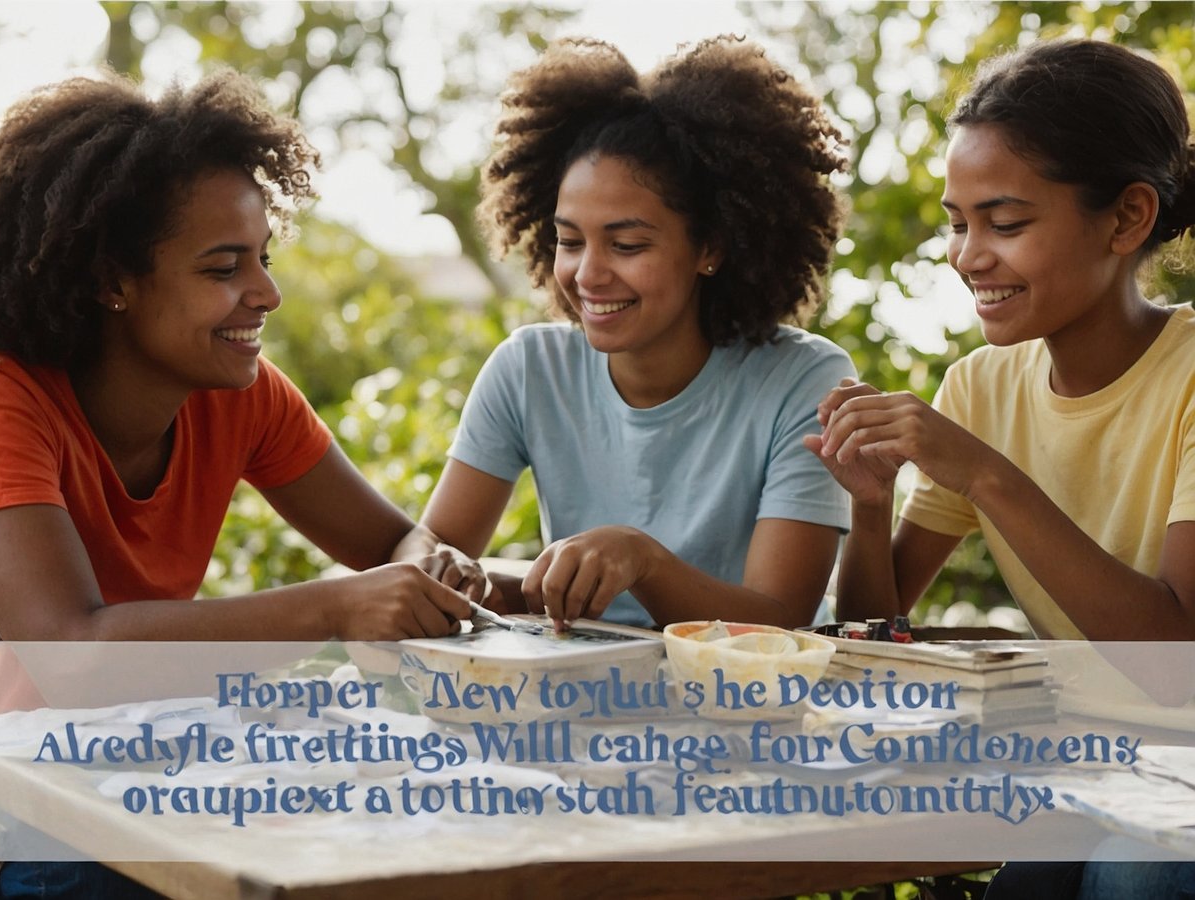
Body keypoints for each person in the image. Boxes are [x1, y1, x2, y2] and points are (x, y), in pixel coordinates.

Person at [803, 38, 1195, 899]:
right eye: (958, 222)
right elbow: (874, 642)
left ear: (1127, 218)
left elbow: (1174, 663)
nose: (966, 254)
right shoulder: (981, 387)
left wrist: (986, 476)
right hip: (1101, 764)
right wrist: (869, 506)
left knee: (1133, 880)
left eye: (1005, 224)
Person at [0, 70, 490, 652]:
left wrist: (428, 566)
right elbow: (64, 648)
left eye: (264, 259)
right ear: (112, 282)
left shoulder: (240, 396)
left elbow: (394, 543)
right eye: (224, 269)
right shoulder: (10, 403)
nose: (268, 295)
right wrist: (334, 609)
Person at [403, 35, 855, 632]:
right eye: (569, 241)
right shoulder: (529, 369)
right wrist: (437, 566)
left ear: (711, 246)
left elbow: (777, 621)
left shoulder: (803, 380)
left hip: (749, 688)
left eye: (627, 245)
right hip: (582, 683)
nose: (587, 275)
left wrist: (642, 561)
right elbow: (433, 542)